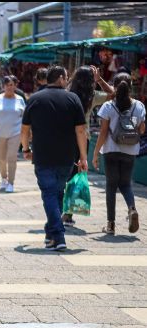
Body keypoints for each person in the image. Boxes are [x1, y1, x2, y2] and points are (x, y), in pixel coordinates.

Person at [21, 66, 88, 251]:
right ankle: (51, 233)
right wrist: (83, 156)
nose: (67, 81)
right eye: (66, 77)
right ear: (60, 78)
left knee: (50, 194)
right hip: (67, 157)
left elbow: (25, 129)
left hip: (42, 156)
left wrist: (25, 149)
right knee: (57, 193)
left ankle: (58, 236)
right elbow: (81, 130)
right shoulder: (72, 98)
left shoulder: (34, 99)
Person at [92, 72, 146, 235]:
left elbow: (102, 133)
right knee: (125, 183)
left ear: (114, 87)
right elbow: (142, 130)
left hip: (111, 150)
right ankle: (131, 208)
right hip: (130, 150)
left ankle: (110, 224)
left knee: (111, 186)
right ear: (131, 88)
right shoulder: (139, 106)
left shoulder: (108, 106)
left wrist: (95, 153)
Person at [62, 65, 114, 225]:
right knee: (75, 175)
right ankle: (68, 213)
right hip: (82, 139)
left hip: (64, 137)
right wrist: (100, 80)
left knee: (63, 173)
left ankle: (62, 209)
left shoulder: (66, 94)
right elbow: (113, 94)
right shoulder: (92, 96)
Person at [0, 75, 25, 193]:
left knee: (12, 158)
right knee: (2, 159)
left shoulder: (20, 99)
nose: (9, 87)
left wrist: (28, 133)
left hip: (15, 133)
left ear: (15, 86)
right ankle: (4, 178)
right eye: (7, 85)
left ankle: (11, 183)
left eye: (12, 85)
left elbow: (25, 118)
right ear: (3, 86)